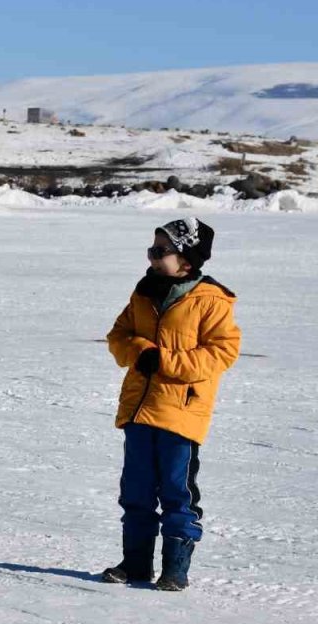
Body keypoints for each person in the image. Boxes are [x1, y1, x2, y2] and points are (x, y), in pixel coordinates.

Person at [103, 216, 241, 591]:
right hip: (139, 408)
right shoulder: (144, 292)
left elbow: (221, 353)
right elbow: (119, 335)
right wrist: (139, 351)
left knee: (177, 493)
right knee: (136, 489)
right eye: (151, 249)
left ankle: (175, 568)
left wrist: (164, 362)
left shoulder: (211, 300)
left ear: (186, 258)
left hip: (180, 413)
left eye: (160, 250)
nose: (151, 256)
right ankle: (135, 564)